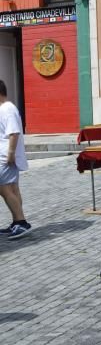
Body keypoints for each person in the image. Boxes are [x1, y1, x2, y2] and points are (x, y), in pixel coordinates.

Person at [0, 81, 31, 239]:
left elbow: (14, 132)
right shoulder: (5, 108)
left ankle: (21, 221)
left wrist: (11, 153)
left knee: (4, 189)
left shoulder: (7, 109)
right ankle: (17, 222)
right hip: (5, 155)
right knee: (12, 189)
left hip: (5, 156)